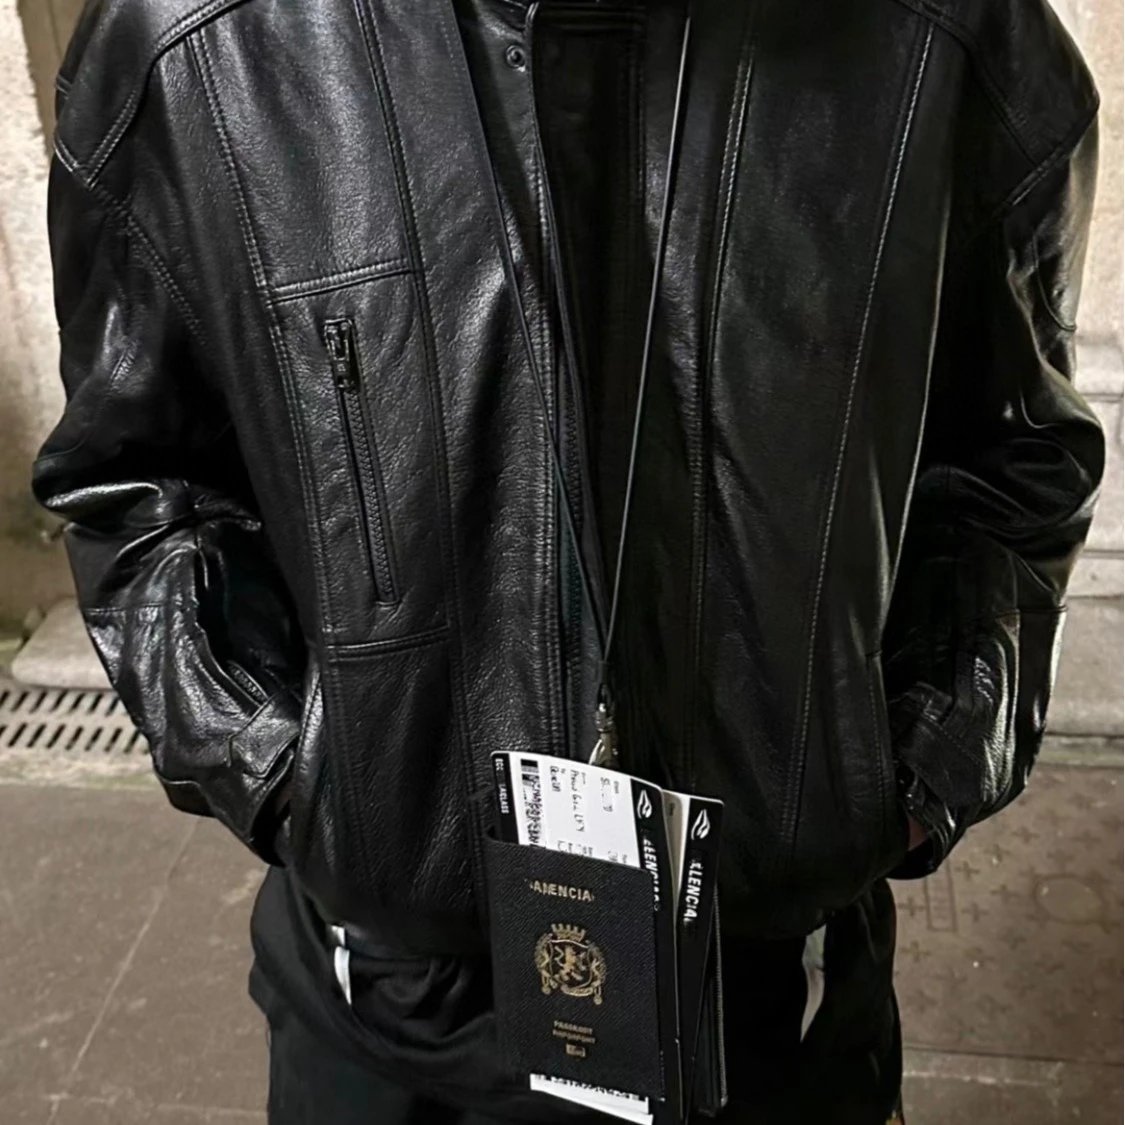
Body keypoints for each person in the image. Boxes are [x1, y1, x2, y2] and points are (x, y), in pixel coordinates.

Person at [31, 0, 1104, 1122]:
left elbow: (1015, 459)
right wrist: (283, 771)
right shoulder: (198, 41)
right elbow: (136, 478)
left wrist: (921, 762)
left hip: (771, 986)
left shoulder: (942, 35)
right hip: (394, 1008)